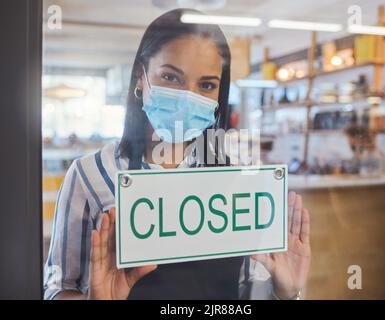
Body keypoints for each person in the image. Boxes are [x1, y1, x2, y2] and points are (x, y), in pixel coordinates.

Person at [44, 8, 311, 300]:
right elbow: (58, 287)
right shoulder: (90, 174)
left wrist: (287, 292)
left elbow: (245, 291)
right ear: (139, 78)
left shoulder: (236, 182)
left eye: (206, 85)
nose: (187, 96)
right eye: (171, 77)